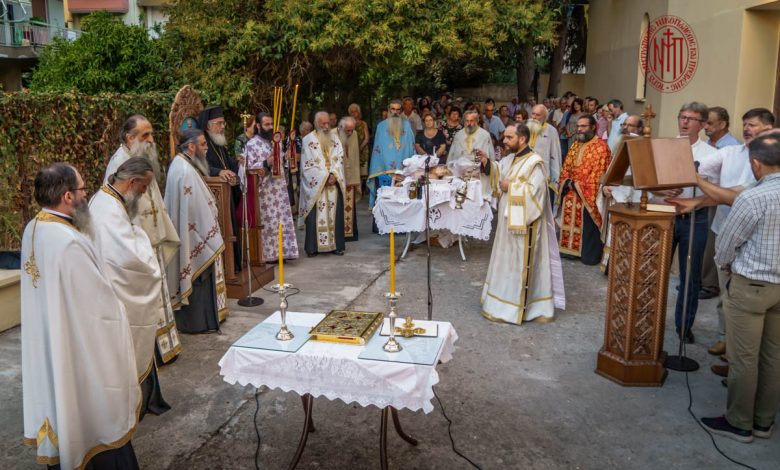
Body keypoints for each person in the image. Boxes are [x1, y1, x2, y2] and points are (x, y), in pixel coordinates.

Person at [21, 163, 141, 469]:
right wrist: (123, 312)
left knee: (60, 395)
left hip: (51, 339)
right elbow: (99, 311)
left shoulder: (33, 228)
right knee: (92, 407)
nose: (87, 195)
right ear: (67, 197)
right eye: (83, 189)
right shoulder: (69, 241)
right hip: (76, 348)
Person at [667, 108, 775, 360]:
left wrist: (695, 183)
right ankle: (725, 340)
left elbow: (738, 195)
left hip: (758, 241)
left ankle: (739, 356)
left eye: (754, 125)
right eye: (745, 124)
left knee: (744, 298)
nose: (747, 129)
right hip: (725, 228)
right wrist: (689, 190)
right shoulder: (728, 153)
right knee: (727, 294)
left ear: (769, 130)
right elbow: (706, 180)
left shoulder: (771, 162)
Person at [700, 133, 780, 443]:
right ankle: (764, 421)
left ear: (756, 164)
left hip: (751, 285)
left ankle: (739, 422)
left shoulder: (753, 197)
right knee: (773, 356)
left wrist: (726, 268)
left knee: (744, 357)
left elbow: (727, 245)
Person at [91, 157, 171, 419]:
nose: (145, 192)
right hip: (116, 296)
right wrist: (143, 239)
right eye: (144, 186)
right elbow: (131, 258)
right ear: (133, 182)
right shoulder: (109, 210)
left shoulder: (108, 199)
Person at [104, 115, 182, 366]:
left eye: (151, 134)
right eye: (145, 135)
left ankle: (165, 345)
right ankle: (150, 350)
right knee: (147, 298)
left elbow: (154, 199)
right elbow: (119, 212)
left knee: (159, 295)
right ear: (130, 138)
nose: (151, 140)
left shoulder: (142, 160)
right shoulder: (118, 165)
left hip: (152, 237)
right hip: (137, 244)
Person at [481, 123, 565, 324]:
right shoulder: (510, 158)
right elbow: (498, 172)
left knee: (519, 265)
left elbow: (537, 193)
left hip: (524, 227)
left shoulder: (534, 162)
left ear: (522, 139)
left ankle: (521, 307)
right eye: (505, 137)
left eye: (509, 137)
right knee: (505, 262)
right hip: (506, 223)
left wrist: (511, 186)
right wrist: (486, 163)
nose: (505, 141)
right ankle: (501, 302)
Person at [655, 102, 717, 343]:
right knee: (657, 272)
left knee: (689, 275)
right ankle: (651, 320)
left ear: (701, 125)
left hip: (695, 218)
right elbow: (650, 183)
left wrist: (696, 197)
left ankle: (684, 325)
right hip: (665, 214)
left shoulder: (711, 154)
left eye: (691, 118)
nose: (685, 122)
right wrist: (664, 189)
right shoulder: (664, 147)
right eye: (682, 117)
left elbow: (718, 192)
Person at [165, 128, 229, 333]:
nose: (206, 148)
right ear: (191, 147)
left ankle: (201, 320)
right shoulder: (184, 170)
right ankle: (198, 323)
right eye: (203, 144)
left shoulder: (183, 164)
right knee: (198, 278)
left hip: (192, 233)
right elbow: (193, 209)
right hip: (193, 236)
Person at [245, 112, 299, 262]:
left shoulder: (277, 141)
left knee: (281, 221)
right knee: (269, 224)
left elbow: (282, 165)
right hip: (265, 193)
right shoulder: (251, 144)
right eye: (266, 125)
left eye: (271, 124)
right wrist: (265, 163)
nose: (270, 128)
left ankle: (283, 252)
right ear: (258, 126)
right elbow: (248, 170)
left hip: (280, 190)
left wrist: (287, 158)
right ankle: (270, 255)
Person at [557, 115, 611, 265]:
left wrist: (578, 185)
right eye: (578, 126)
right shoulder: (575, 145)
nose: (579, 129)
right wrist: (567, 182)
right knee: (570, 220)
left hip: (588, 196)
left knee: (589, 225)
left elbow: (599, 175)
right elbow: (566, 167)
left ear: (593, 127)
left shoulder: (601, 147)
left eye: (583, 126)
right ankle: (570, 251)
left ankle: (588, 254)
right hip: (571, 192)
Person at [198, 105, 242, 270]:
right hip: (213, 195)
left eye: (223, 123)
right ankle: (226, 267)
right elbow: (200, 165)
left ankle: (235, 265)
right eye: (219, 123)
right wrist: (219, 171)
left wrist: (239, 164)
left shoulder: (218, 142)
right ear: (208, 125)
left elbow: (228, 162)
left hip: (226, 193)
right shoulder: (201, 142)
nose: (223, 127)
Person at [598, 115, 644, 272]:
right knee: (613, 234)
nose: (625, 127)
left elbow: (634, 177)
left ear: (638, 129)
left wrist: (621, 194)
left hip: (627, 199)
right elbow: (614, 169)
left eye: (630, 125)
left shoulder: (637, 147)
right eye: (624, 124)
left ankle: (619, 268)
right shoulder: (621, 143)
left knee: (623, 237)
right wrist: (606, 186)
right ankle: (611, 267)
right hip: (615, 194)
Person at [299, 111, 347, 256]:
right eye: (323, 123)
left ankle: (336, 246)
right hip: (317, 187)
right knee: (314, 216)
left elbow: (339, 158)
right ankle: (313, 248)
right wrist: (325, 177)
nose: (326, 126)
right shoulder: (308, 140)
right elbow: (307, 165)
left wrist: (334, 174)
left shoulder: (335, 138)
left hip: (333, 182)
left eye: (328, 123)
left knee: (335, 215)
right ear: (316, 123)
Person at [368, 99, 416, 208]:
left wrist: (410, 168)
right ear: (389, 110)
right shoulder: (381, 126)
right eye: (393, 109)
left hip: (403, 173)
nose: (395, 112)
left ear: (401, 111)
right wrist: (385, 172)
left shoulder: (407, 125)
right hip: (385, 173)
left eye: (398, 110)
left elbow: (411, 147)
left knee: (403, 204)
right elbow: (378, 150)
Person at [449, 109, 499, 201]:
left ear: (476, 121)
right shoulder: (458, 135)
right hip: (460, 175)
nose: (469, 123)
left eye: (471, 121)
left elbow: (490, 158)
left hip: (478, 175)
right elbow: (452, 157)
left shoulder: (485, 135)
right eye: (467, 121)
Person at [527, 105, 562, 198]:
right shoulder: (525, 128)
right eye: (533, 114)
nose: (534, 117)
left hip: (544, 174)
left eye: (537, 115)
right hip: (526, 173)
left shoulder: (551, 131)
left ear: (544, 117)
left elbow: (555, 154)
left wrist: (554, 174)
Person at [338, 116, 362, 241]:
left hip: (350, 176)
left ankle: (350, 234)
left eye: (352, 130)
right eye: (348, 130)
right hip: (337, 176)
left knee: (349, 206)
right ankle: (338, 233)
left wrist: (354, 177)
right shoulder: (333, 135)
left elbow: (354, 156)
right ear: (341, 127)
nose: (350, 133)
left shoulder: (355, 134)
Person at [348, 103, 371, 182]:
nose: (353, 113)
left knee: (362, 174)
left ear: (359, 112)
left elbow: (367, 138)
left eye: (355, 111)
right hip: (351, 151)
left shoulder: (363, 123)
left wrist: (360, 148)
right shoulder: (347, 124)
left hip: (363, 150)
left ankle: (362, 191)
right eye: (351, 112)